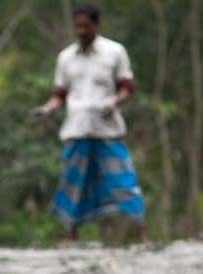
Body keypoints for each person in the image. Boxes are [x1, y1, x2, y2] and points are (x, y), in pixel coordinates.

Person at [34, 5, 146, 242]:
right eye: (77, 26)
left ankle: (140, 232)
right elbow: (60, 93)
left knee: (123, 178)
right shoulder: (65, 57)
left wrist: (115, 102)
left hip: (106, 128)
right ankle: (70, 234)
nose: (81, 31)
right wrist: (48, 108)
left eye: (86, 26)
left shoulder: (114, 52)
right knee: (73, 182)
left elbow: (127, 86)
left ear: (96, 25)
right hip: (77, 127)